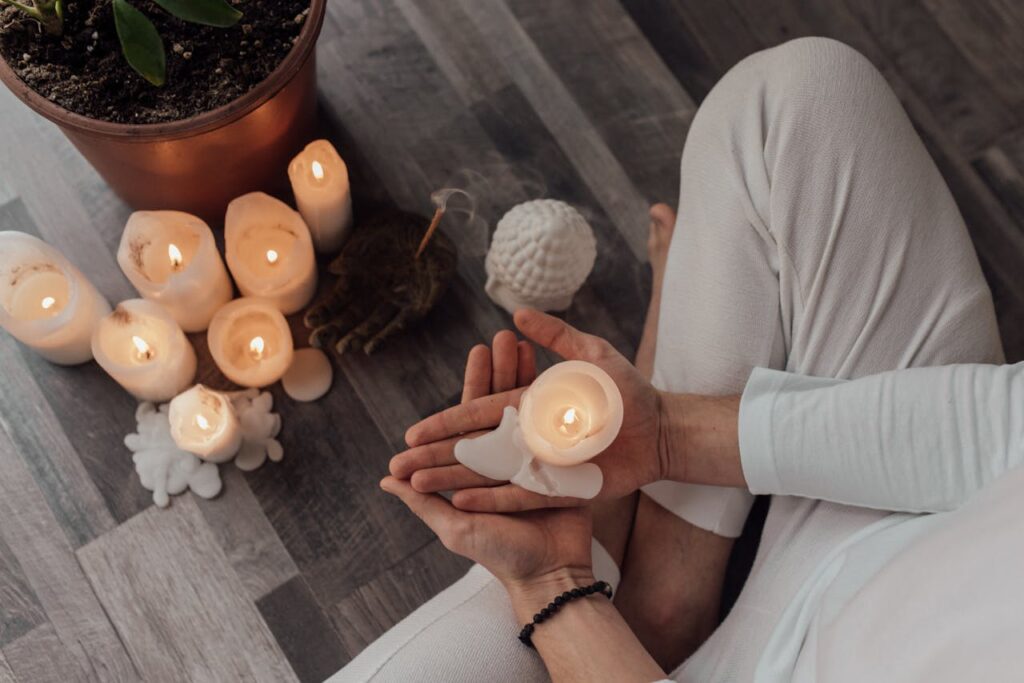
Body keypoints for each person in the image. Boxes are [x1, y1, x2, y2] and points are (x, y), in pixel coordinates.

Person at [330, 36, 1021, 682]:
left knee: (516, 555)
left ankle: (633, 606)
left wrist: (555, 587)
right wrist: (667, 434)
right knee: (798, 100)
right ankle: (668, 587)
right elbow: (999, 432)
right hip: (914, 528)